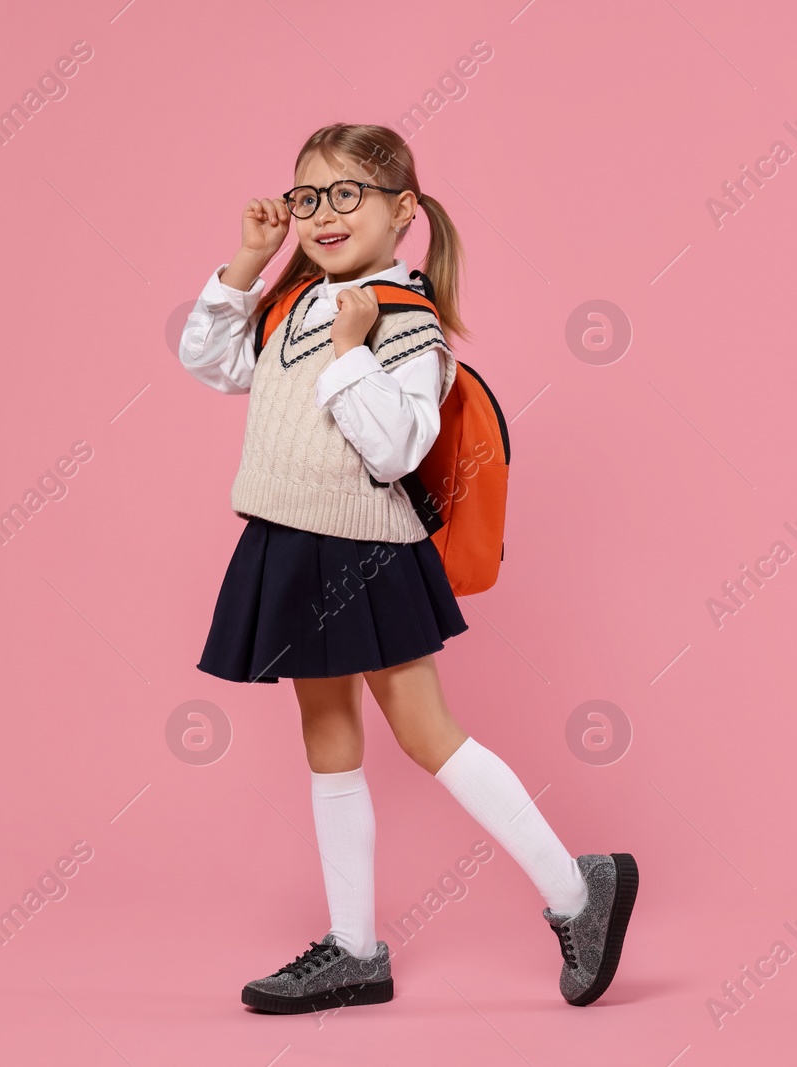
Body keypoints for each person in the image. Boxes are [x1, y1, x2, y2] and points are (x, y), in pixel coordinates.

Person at [176, 122, 637, 1014]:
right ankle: (354, 949)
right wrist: (247, 261)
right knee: (328, 739)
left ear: (403, 210)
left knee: (427, 733)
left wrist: (354, 349)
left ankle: (580, 891)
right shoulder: (288, 299)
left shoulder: (403, 318)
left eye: (348, 193)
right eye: (309, 196)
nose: (323, 214)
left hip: (361, 550)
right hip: (287, 538)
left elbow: (395, 451)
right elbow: (213, 362)